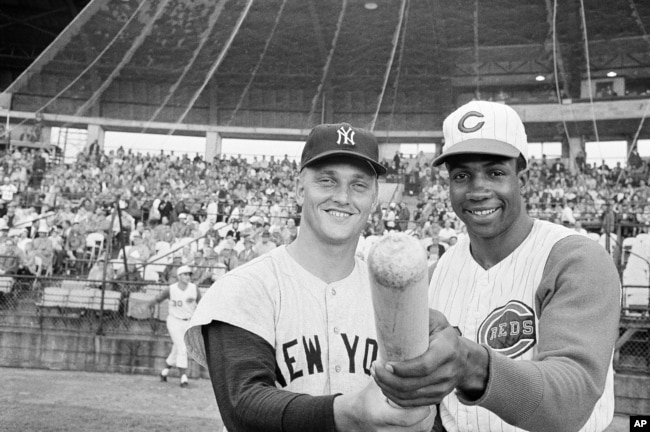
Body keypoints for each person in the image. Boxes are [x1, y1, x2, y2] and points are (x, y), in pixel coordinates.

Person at [372, 100, 621, 432]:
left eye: (495, 172)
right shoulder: (436, 274)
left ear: (523, 178)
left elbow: (570, 400)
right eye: (462, 175)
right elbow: (441, 411)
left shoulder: (575, 258)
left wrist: (471, 365)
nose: (478, 190)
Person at [184, 123, 435, 431]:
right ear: (300, 186)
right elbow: (243, 405)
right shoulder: (245, 288)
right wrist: (349, 412)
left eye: (358, 185)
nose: (342, 197)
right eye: (327, 181)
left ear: (374, 198)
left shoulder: (393, 297)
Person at [145, 265, 200, 388]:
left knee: (177, 348)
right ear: (179, 276)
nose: (187, 277)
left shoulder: (194, 288)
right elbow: (158, 299)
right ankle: (183, 378)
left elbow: (201, 303)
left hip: (188, 322)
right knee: (182, 348)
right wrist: (149, 305)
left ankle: (164, 372)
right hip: (174, 321)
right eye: (185, 274)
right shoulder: (171, 289)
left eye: (189, 274)